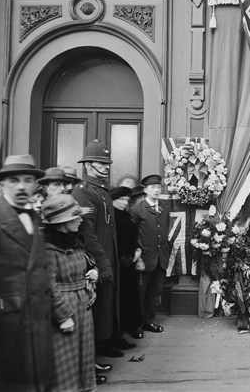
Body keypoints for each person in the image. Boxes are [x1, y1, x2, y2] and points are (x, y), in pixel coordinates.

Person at [0, 154, 53, 390]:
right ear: (2, 184)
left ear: (35, 185)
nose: (21, 186)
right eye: (14, 180)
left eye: (28, 180)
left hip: (37, 321)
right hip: (2, 327)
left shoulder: (33, 217)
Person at [71, 139, 131, 365]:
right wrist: (103, 264)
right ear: (88, 165)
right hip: (96, 262)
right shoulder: (83, 192)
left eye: (107, 163)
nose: (106, 167)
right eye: (100, 163)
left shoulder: (101, 190)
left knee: (107, 307)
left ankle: (104, 344)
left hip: (108, 258)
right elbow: (88, 234)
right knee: (96, 311)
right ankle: (90, 360)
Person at [41, 194, 100, 390]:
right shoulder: (48, 250)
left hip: (82, 307)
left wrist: (92, 272)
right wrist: (63, 316)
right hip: (65, 309)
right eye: (76, 217)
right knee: (64, 362)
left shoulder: (75, 241)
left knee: (82, 359)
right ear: (62, 222)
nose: (81, 220)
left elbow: (85, 264)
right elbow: (47, 286)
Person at [130, 174, 171, 334]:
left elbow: (165, 230)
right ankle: (137, 325)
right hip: (144, 258)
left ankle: (149, 321)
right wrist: (138, 255)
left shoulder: (164, 208)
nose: (156, 190)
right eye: (152, 187)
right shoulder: (137, 210)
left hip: (161, 258)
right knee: (140, 293)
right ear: (145, 190)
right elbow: (134, 235)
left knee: (154, 292)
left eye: (158, 187)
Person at [111, 186, 144, 339]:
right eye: (121, 199)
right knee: (124, 297)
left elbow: (132, 237)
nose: (125, 202)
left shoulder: (126, 215)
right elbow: (117, 242)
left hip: (130, 262)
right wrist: (131, 257)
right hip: (121, 264)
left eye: (126, 200)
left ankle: (133, 326)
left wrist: (137, 249)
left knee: (132, 295)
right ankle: (125, 328)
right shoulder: (112, 217)